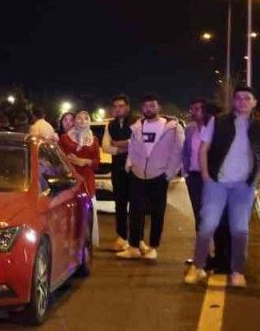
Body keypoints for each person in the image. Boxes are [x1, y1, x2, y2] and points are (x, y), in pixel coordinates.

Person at [187, 86, 260, 288]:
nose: (243, 101)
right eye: (239, 98)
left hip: (243, 186)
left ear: (254, 102)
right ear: (233, 102)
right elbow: (204, 149)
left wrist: (255, 181)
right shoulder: (218, 122)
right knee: (207, 225)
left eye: (247, 98)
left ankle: (237, 271)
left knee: (240, 229)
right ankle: (198, 267)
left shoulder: (258, 127)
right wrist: (205, 175)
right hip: (217, 183)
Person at [118, 94, 184, 261]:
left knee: (157, 213)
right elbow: (132, 147)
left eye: (152, 106)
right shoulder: (137, 126)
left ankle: (153, 247)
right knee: (135, 211)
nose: (149, 109)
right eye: (146, 106)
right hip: (138, 174)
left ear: (159, 107)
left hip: (159, 176)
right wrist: (130, 164)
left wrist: (168, 173)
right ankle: (134, 247)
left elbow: (178, 152)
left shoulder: (172, 127)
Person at [184, 99, 230, 270]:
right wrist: (186, 173)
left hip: (213, 179)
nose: (194, 112)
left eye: (198, 109)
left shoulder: (219, 131)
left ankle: (222, 258)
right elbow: (186, 152)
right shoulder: (190, 129)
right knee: (200, 217)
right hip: (194, 178)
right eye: (192, 109)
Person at [103, 95, 135, 252]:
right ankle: (122, 237)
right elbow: (105, 147)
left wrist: (119, 144)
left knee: (136, 204)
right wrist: (125, 147)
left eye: (121, 106)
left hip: (135, 170)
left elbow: (139, 142)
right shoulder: (110, 125)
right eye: (115, 106)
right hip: (117, 169)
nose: (118, 109)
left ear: (127, 107)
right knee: (120, 204)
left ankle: (136, 239)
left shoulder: (137, 122)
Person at [59, 110, 100, 196]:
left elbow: (97, 162)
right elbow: (58, 158)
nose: (82, 121)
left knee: (87, 202)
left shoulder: (94, 139)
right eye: (79, 118)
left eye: (86, 118)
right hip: (70, 178)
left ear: (89, 121)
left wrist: (85, 161)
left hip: (87, 179)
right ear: (75, 121)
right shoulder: (65, 138)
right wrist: (69, 159)